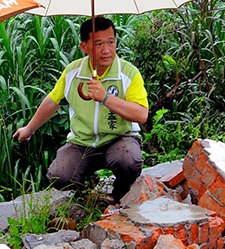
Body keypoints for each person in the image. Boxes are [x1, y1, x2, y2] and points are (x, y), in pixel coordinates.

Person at [13, 16, 148, 203]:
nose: (107, 50)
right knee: (59, 175)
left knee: (128, 160)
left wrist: (106, 98)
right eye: (98, 44)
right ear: (84, 47)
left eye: (111, 42)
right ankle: (88, 191)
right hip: (82, 142)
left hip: (119, 138)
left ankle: (121, 195)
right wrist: (29, 128)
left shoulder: (128, 73)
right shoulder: (73, 72)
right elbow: (53, 102)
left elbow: (141, 114)